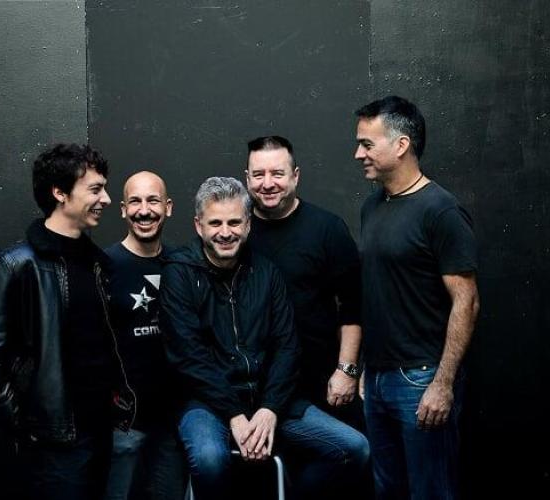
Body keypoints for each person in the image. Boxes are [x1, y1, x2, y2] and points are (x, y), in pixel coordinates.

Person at [160, 177, 369, 500]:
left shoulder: (266, 272)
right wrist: (234, 414)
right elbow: (189, 357)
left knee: (355, 448)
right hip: (205, 404)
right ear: (199, 226)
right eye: (215, 223)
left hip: (268, 399)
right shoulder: (178, 273)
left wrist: (270, 408)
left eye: (234, 222)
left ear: (248, 225)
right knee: (210, 460)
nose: (225, 232)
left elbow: (287, 346)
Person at [0, 143, 130, 500]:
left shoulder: (97, 264)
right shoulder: (14, 265)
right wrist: (24, 423)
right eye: (95, 189)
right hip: (54, 441)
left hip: (100, 430)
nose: (106, 199)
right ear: (59, 193)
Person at [354, 96, 480, 500]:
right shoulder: (372, 207)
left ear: (401, 145)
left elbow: (467, 302)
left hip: (421, 378)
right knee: (387, 490)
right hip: (377, 378)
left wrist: (442, 383)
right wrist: (366, 369)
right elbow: (378, 292)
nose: (358, 154)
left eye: (367, 144)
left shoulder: (441, 211)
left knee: (430, 492)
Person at [245, 135, 365, 420]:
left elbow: (354, 307)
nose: (267, 183)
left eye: (277, 173)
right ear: (247, 179)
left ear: (295, 176)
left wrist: (347, 370)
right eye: (258, 175)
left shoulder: (327, 229)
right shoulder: (235, 231)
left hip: (321, 381)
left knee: (349, 444)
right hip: (254, 387)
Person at [103, 171, 186, 500]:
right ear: (123, 209)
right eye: (135, 202)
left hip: (171, 422)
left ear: (168, 207)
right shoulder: (104, 266)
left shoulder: (181, 265)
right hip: (122, 423)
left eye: (153, 201)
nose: (144, 210)